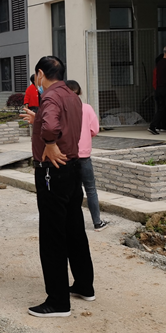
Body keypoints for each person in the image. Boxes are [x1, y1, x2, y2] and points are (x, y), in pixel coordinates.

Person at [20, 57, 94, 318]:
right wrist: (39, 121)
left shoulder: (50, 97)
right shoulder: (72, 96)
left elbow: (52, 126)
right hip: (72, 169)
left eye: (36, 77)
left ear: (40, 74)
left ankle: (58, 301)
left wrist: (49, 142)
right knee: (74, 230)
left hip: (53, 171)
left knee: (52, 235)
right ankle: (84, 285)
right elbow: (58, 123)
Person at [65, 80, 109, 232]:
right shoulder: (87, 108)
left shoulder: (62, 110)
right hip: (84, 157)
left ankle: (70, 223)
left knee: (70, 190)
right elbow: (95, 130)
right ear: (79, 92)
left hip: (67, 157)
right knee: (90, 189)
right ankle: (97, 222)